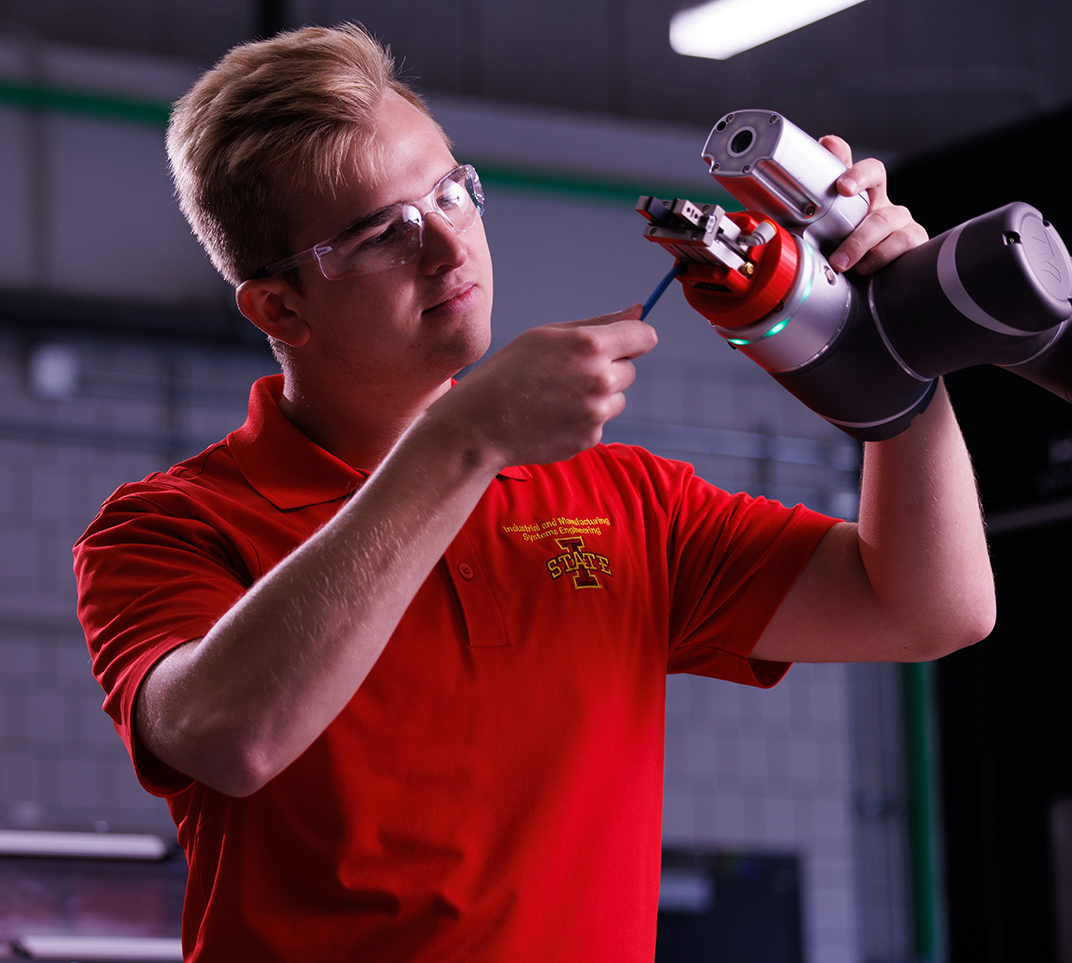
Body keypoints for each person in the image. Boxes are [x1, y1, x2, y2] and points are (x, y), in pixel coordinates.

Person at [74, 23, 994, 962]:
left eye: (448, 192)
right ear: (279, 307)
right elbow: (229, 736)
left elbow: (926, 608)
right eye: (378, 233)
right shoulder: (170, 526)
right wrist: (463, 443)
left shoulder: (624, 498)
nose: (445, 247)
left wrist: (896, 364)